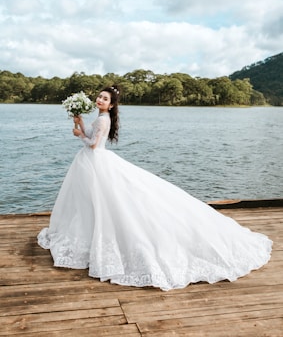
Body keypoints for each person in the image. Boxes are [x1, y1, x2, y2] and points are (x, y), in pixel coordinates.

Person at [38, 85, 272, 291]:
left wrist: (79, 134)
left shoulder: (102, 119)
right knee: (94, 202)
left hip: (96, 162)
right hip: (94, 163)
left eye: (105, 99)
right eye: (99, 97)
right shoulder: (100, 118)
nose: (100, 100)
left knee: (103, 202)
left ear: (111, 105)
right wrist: (79, 122)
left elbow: (93, 144)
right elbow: (92, 136)